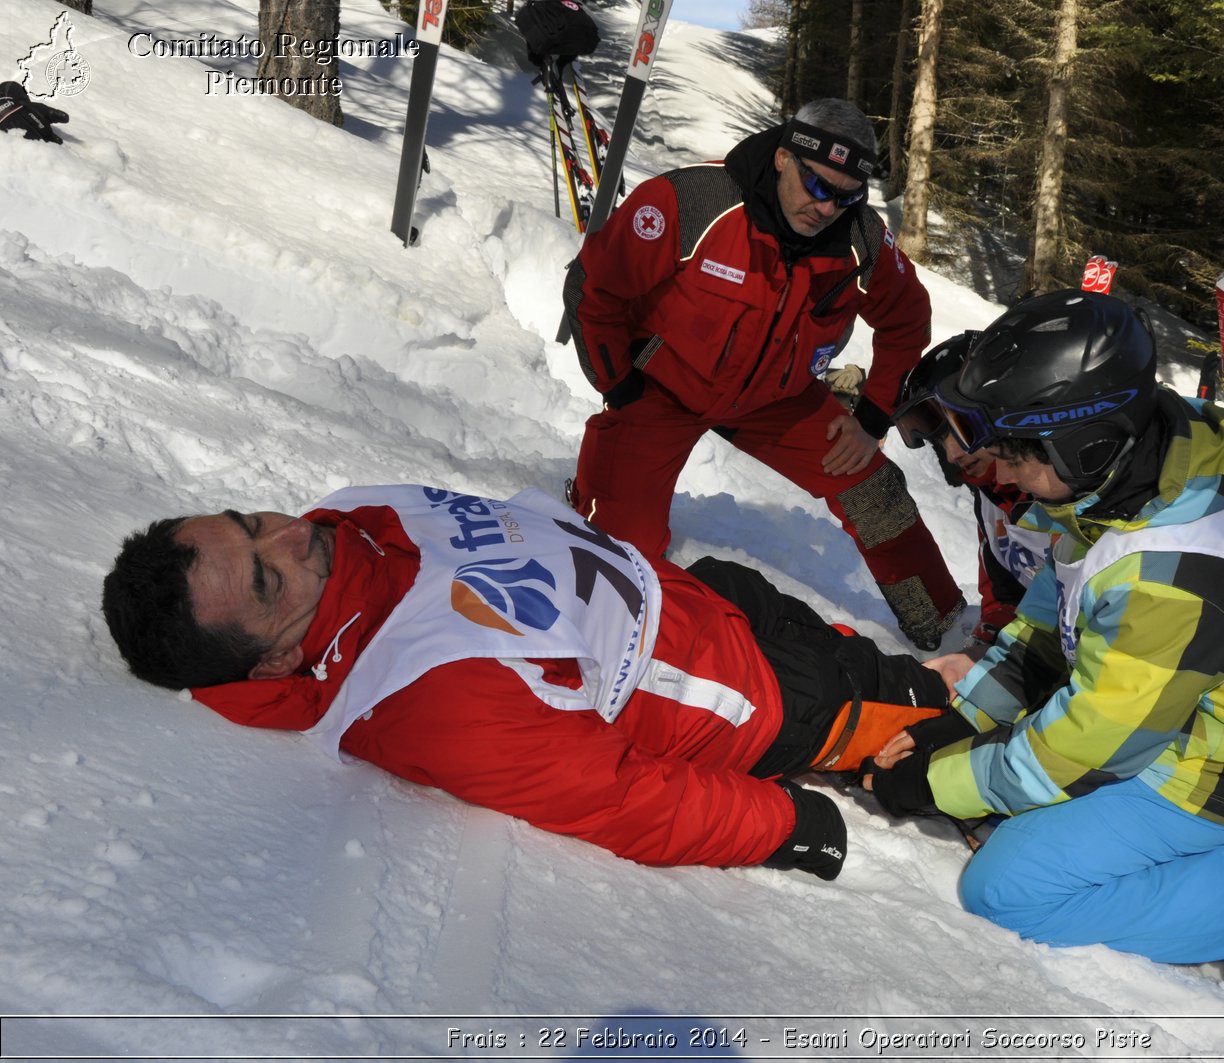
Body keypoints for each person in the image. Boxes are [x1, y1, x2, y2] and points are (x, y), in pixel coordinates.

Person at [862, 290, 1224, 1017]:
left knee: (1007, 885)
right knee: (1011, 791)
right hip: (1180, 698)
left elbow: (1088, 746)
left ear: (1079, 441)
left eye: (1017, 452)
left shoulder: (1172, 575)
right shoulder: (1136, 464)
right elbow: (1049, 619)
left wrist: (941, 780)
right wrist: (970, 720)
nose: (1002, 469)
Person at [100, 484, 954, 879]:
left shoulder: (359, 515)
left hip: (714, 600)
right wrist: (781, 823)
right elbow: (618, 795)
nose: (292, 538)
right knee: (948, 731)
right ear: (279, 659)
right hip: (760, 696)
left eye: (253, 524)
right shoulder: (424, 696)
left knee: (917, 674)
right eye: (268, 581)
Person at [562, 98, 965, 651]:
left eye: (847, 195)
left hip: (776, 400)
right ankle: (592, 508)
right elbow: (593, 285)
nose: (827, 208)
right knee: (617, 556)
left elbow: (907, 320)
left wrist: (870, 419)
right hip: (662, 392)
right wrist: (620, 388)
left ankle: (948, 630)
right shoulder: (690, 202)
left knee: (874, 489)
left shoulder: (861, 240)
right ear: (782, 158)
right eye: (818, 186)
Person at [892, 332, 1055, 651]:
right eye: (941, 441)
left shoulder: (1064, 490)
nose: (953, 454)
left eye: (959, 429)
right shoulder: (991, 496)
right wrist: (998, 621)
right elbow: (1002, 585)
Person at [0, 82, 69, 144]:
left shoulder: (27, 106)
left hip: (13, 152)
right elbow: (64, 117)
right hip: (44, 150)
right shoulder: (28, 106)